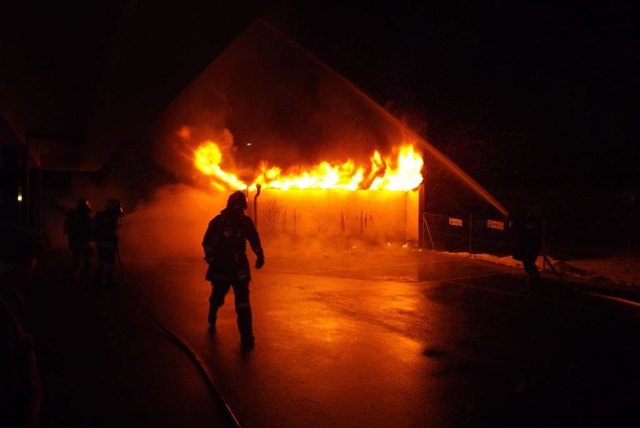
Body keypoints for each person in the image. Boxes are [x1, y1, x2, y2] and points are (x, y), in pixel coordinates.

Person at [202, 191, 264, 351]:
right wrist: (210, 256)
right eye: (236, 207)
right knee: (218, 295)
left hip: (239, 268)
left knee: (243, 303)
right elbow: (206, 241)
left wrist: (259, 254)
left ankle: (247, 335)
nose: (239, 211)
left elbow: (254, 239)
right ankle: (213, 308)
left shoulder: (245, 222)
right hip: (221, 265)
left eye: (241, 208)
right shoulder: (218, 222)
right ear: (230, 205)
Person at [0, 222, 44, 428]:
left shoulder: (10, 304)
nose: (33, 270)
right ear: (19, 267)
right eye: (32, 264)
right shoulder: (4, 318)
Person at [510, 205, 543, 296]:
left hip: (529, 248)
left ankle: (536, 287)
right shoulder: (530, 221)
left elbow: (522, 232)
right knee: (529, 267)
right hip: (529, 248)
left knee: (530, 267)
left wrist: (514, 225)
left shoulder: (530, 221)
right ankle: (532, 287)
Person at [93, 198, 124, 287]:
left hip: (101, 243)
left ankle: (98, 279)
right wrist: (114, 241)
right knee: (111, 263)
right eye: (118, 206)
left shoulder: (102, 215)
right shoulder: (111, 216)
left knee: (102, 261)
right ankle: (108, 281)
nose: (120, 208)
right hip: (108, 243)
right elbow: (111, 231)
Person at [63, 197, 94, 281]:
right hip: (85, 240)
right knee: (86, 257)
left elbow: (68, 227)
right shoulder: (85, 215)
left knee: (77, 258)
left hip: (76, 240)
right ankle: (84, 274)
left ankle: (75, 275)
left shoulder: (72, 214)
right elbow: (89, 228)